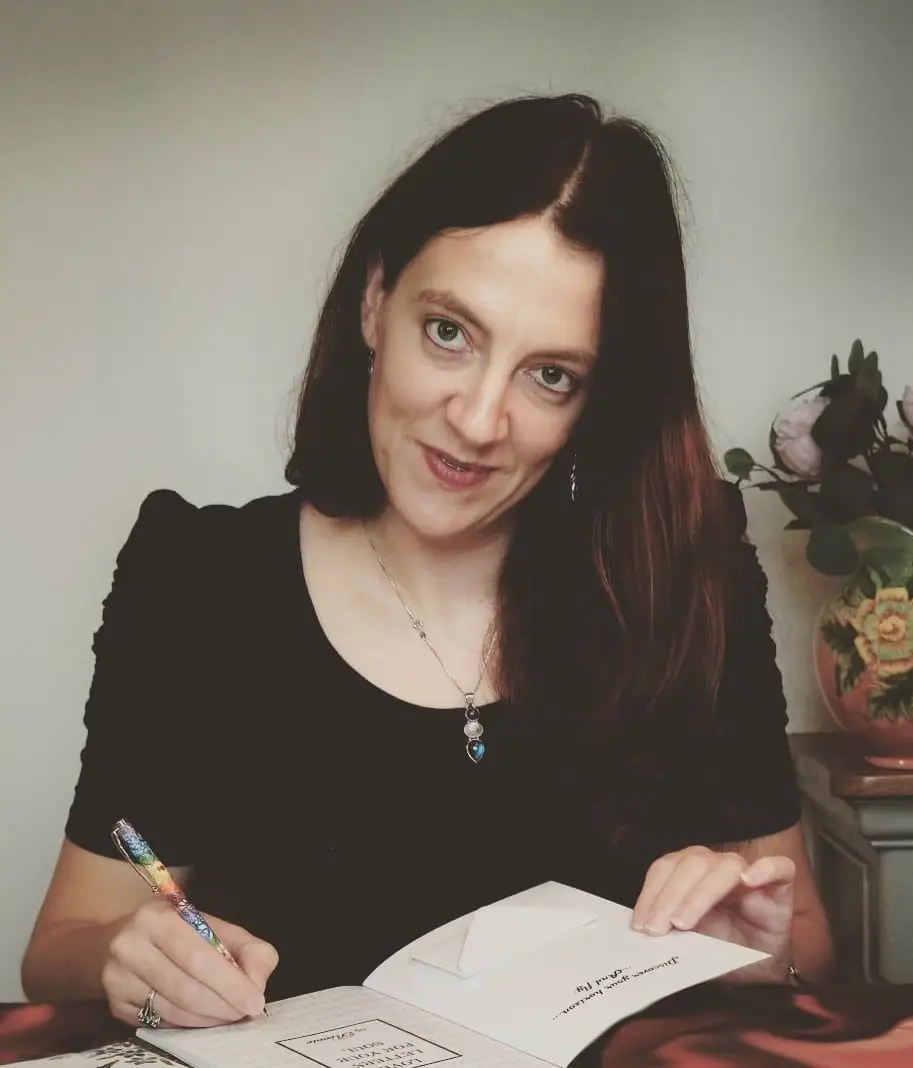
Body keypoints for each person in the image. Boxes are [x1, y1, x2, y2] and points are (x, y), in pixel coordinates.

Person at [21, 93, 832, 1029]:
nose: (480, 422)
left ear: (596, 401)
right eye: (449, 332)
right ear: (374, 303)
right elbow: (61, 947)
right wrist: (129, 958)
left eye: (550, 375)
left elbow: (804, 937)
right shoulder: (199, 582)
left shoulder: (684, 579)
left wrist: (753, 950)